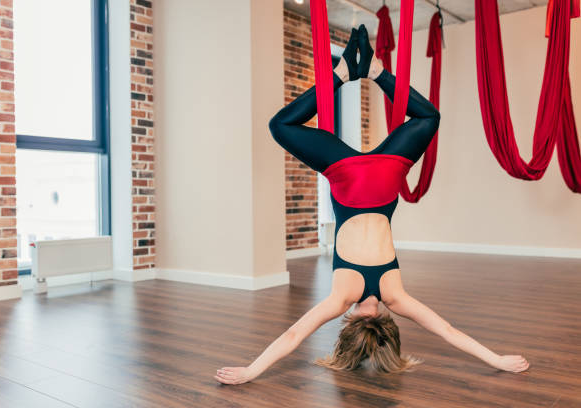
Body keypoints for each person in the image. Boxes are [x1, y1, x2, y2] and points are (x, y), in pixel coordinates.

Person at [214, 25, 529, 385]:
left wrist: (498, 359)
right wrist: (250, 370)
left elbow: (448, 330)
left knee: (429, 119)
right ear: (350, 321)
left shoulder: (396, 296)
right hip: (345, 175)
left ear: (387, 324)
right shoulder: (340, 297)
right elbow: (293, 337)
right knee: (281, 125)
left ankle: (375, 72)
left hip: (384, 176)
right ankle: (343, 74)